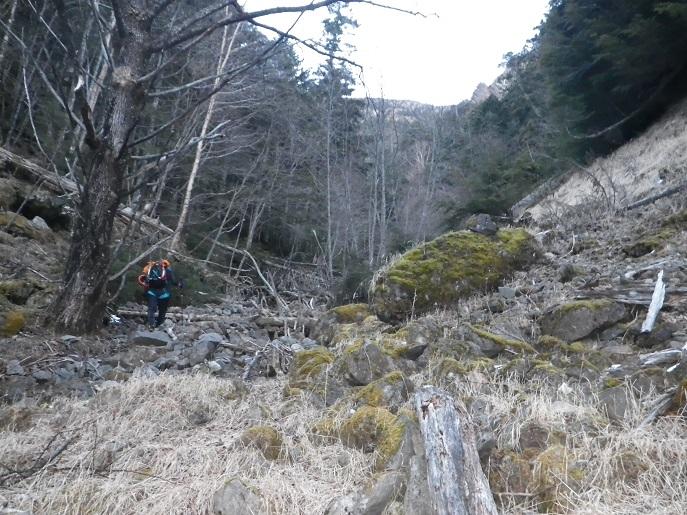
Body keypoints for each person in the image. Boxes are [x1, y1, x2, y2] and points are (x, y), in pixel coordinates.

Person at [137, 259, 182, 330]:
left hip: (152, 292)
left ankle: (151, 324)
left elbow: (144, 279)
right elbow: (174, 281)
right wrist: (180, 284)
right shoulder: (168, 271)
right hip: (164, 294)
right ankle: (158, 324)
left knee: (151, 309)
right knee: (162, 310)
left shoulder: (150, 268)